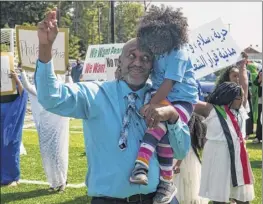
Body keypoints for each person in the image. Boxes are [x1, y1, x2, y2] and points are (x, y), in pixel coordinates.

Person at [36, 8, 190, 204]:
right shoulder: (95, 94)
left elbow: (181, 151)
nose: (138, 62)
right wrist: (45, 49)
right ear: (119, 61)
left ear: (153, 66)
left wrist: (172, 115)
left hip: (158, 199)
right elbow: (51, 97)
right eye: (131, 56)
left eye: (145, 58)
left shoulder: (161, 99)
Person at [128, 6, 197, 204]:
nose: (152, 44)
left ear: (169, 34)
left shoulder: (179, 53)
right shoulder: (157, 49)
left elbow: (168, 83)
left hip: (182, 100)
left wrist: (152, 105)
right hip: (159, 95)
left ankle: (142, 165)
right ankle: (164, 181)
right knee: (163, 138)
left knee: (157, 125)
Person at [196, 57, 255, 204]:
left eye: (241, 97)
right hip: (218, 156)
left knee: (242, 195)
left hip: (238, 154)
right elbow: (188, 101)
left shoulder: (241, 110)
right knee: (219, 195)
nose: (241, 100)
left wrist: (242, 68)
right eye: (237, 97)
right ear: (227, 97)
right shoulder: (211, 109)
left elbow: (245, 86)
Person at [20, 69, 71, 192]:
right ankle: (53, 182)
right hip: (45, 129)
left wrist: (68, 73)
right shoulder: (40, 92)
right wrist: (22, 71)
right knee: (47, 155)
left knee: (59, 153)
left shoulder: (60, 90)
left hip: (59, 127)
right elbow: (27, 86)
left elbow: (70, 86)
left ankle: (62, 181)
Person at [173, 112, 209, 204]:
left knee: (186, 185)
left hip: (184, 153)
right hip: (185, 153)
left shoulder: (185, 116)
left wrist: (178, 162)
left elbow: (186, 140)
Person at [0, 70, 28, 186]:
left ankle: (11, 176)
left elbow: (23, 94)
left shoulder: (13, 78)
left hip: (11, 115)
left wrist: (17, 79)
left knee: (11, 146)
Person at [252, 69, 262, 143]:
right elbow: (255, 82)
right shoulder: (261, 71)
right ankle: (258, 137)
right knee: (259, 119)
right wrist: (260, 79)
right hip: (261, 101)